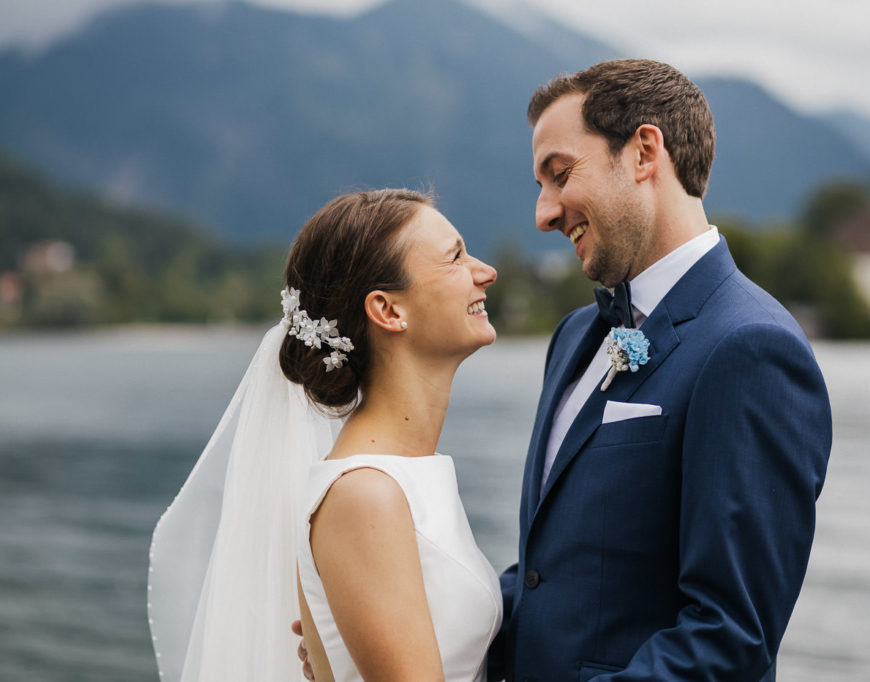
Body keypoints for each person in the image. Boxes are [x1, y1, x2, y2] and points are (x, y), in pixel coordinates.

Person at [486, 59, 832, 681]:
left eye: (560, 175)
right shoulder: (571, 339)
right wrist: (395, 627)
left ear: (644, 151)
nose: (544, 212)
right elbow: (545, 578)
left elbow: (728, 641)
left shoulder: (752, 349)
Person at [148, 189, 502, 681]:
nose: (486, 271)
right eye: (456, 257)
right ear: (388, 310)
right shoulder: (366, 496)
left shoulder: (407, 473)